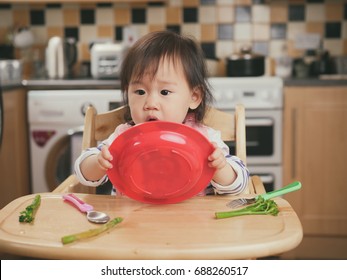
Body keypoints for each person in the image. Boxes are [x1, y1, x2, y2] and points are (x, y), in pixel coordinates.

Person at [74, 30, 249, 196]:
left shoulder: (204, 139)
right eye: (140, 92)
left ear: (194, 97)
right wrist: (98, 163)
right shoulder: (123, 137)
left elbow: (239, 182)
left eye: (165, 92)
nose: (150, 104)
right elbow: (84, 172)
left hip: (193, 224)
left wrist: (220, 168)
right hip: (131, 222)